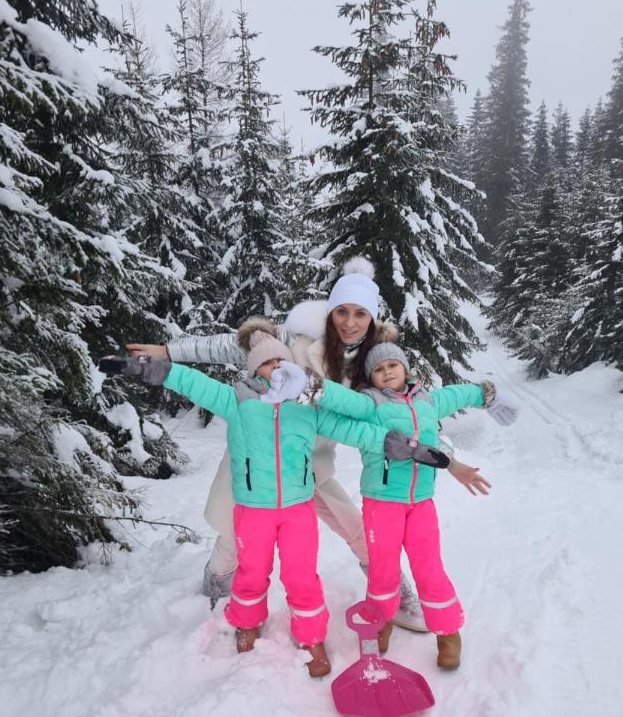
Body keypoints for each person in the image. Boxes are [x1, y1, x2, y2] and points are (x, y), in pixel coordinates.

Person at [126, 258, 490, 631]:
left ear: (372, 319)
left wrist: (448, 459)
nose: (350, 322)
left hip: (314, 465)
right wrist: (169, 352)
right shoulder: (295, 340)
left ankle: (395, 595)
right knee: (238, 536)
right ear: (331, 311)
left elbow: (412, 417)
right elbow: (225, 348)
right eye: (342, 312)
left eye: (360, 314)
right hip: (263, 459)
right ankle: (217, 579)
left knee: (357, 529)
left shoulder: (375, 365)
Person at [100, 321, 437, 677]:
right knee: (251, 570)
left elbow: (352, 429)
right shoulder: (238, 400)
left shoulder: (307, 405)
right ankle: (246, 619)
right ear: (252, 369)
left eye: (281, 362)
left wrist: (394, 444)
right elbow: (193, 383)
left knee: (302, 575)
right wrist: (158, 368)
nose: (275, 368)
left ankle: (311, 636)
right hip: (253, 508)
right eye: (265, 363)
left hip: (297, 510)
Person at [283, 335, 519, 670]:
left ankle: (448, 632)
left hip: (421, 503)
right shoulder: (370, 403)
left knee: (429, 567)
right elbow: (344, 402)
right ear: (372, 377)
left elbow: (459, 394)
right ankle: (381, 622)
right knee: (383, 569)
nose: (387, 372)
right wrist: (314, 388)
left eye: (392, 365)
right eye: (379, 369)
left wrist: (486, 394)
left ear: (405, 368)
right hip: (382, 503)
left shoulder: (427, 401)